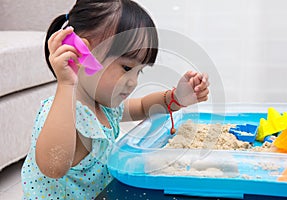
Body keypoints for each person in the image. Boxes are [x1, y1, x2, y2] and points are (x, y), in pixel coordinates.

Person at [21, 0, 209, 199]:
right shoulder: (62, 113)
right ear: (81, 54)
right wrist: (66, 84)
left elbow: (144, 106)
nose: (133, 82)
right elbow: (52, 167)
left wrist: (177, 98)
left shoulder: (104, 106)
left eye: (140, 72)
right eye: (127, 68)